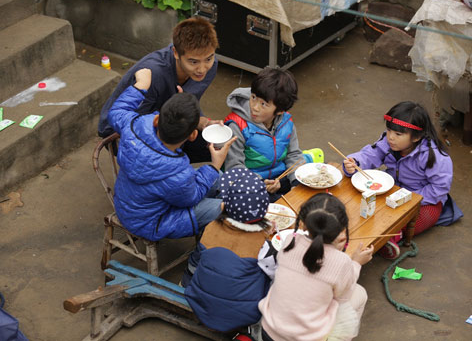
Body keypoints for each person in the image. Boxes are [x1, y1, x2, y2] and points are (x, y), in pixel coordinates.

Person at [107, 68, 235, 241]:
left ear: (157, 119)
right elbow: (191, 198)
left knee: (222, 180)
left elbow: (115, 111)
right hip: (154, 222)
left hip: (128, 206)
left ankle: (212, 237)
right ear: (193, 135)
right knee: (227, 205)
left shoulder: (133, 126)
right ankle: (200, 258)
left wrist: (141, 86)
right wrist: (215, 164)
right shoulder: (177, 172)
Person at [343, 101, 459, 259]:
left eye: (398, 134)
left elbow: (439, 188)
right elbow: (371, 154)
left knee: (425, 215)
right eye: (389, 130)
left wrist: (410, 199)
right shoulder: (387, 142)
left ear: (417, 137)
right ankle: (376, 233)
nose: (391, 137)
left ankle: (393, 236)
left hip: (422, 199)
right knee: (359, 202)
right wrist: (355, 162)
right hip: (390, 189)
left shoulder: (435, 156)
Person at [99, 17, 220, 163]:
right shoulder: (154, 73)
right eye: (193, 62)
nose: (202, 69)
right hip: (121, 131)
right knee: (171, 169)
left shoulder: (210, 67)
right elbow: (131, 124)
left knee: (219, 145)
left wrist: (202, 122)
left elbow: (189, 100)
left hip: (169, 123)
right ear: (176, 53)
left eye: (208, 58)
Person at [259, 193, 374, 341]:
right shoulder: (342, 261)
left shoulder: (289, 241)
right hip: (306, 338)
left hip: (269, 331)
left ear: (303, 224)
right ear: (341, 231)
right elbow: (342, 297)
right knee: (360, 293)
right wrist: (357, 263)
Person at [183, 168, 275, 333]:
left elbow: (194, 264)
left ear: (224, 205)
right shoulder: (263, 243)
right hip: (244, 316)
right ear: (266, 211)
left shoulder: (211, 227)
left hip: (200, 306)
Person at [224, 67, 323, 202]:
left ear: (280, 111)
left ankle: (307, 160)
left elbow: (293, 154)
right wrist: (260, 183)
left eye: (263, 104)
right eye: (253, 97)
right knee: (249, 202)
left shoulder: (286, 123)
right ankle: (309, 158)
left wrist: (296, 183)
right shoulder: (237, 127)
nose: (255, 107)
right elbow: (235, 167)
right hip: (252, 180)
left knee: (309, 185)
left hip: (279, 177)